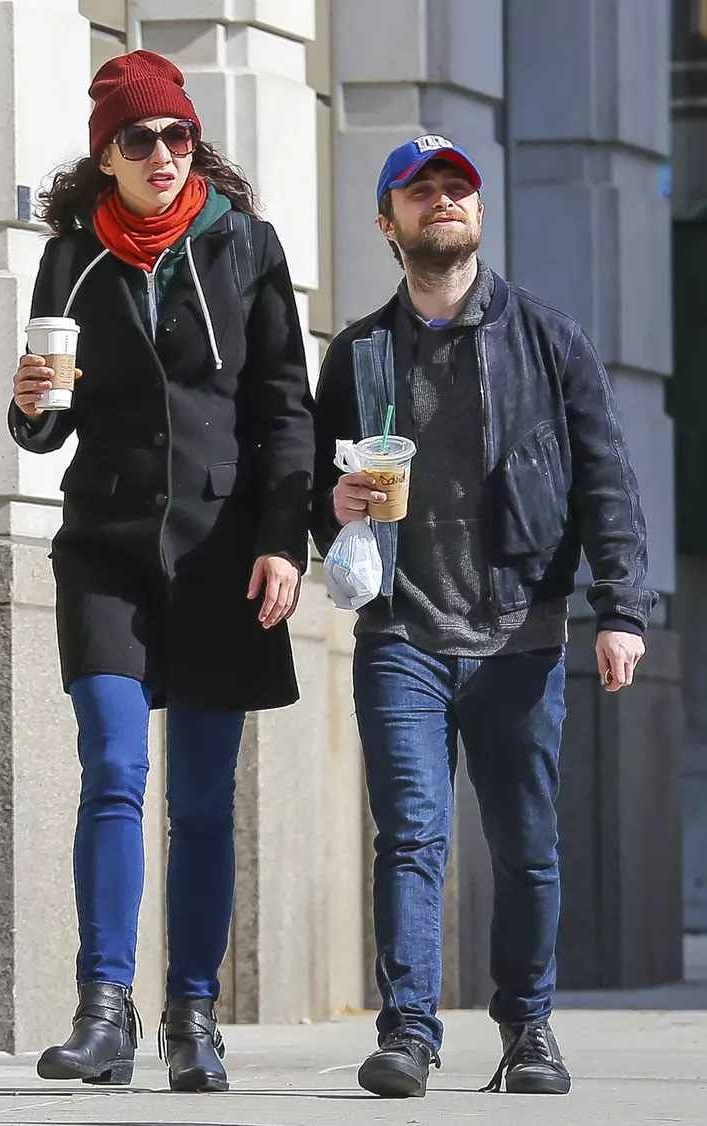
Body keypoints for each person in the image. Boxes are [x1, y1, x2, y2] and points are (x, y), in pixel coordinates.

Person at [312, 135, 656, 1099]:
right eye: (420, 191)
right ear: (389, 224)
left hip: (521, 631)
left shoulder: (550, 340)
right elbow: (309, 487)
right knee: (413, 833)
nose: (443, 201)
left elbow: (607, 485)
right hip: (399, 631)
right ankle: (410, 1034)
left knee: (525, 843)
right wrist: (327, 509)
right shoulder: (361, 353)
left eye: (457, 187)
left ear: (480, 212)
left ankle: (529, 1029)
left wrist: (621, 610)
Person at [9, 50, 314, 1092]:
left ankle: (192, 1013)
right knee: (113, 769)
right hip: (105, 550)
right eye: (139, 139)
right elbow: (49, 426)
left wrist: (284, 539)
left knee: (202, 799)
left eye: (178, 136)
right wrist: (31, 406)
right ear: (107, 155)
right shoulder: (70, 261)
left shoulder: (247, 249)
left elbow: (284, 411)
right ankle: (103, 1009)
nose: (163, 155)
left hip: (224, 555)